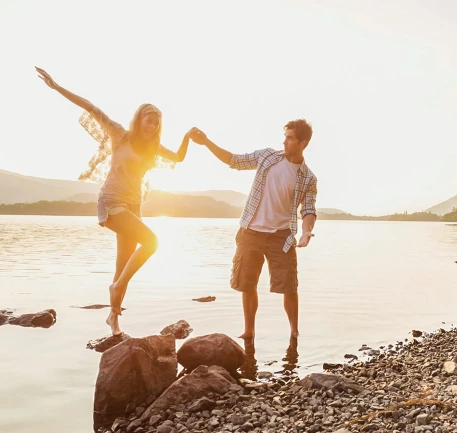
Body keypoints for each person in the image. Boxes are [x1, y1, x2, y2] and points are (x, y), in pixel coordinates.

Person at [35, 66, 200, 336]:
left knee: (123, 264)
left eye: (157, 122)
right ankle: (116, 290)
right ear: (139, 120)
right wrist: (57, 87)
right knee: (152, 242)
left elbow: (179, 158)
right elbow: (91, 107)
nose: (153, 125)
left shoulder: (153, 148)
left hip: (134, 206)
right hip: (112, 202)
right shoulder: (119, 135)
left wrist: (186, 138)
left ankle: (114, 320)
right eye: (149, 119)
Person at [192, 119, 318, 339]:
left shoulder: (308, 178)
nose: (285, 141)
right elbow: (234, 160)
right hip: (250, 232)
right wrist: (206, 142)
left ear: (303, 143)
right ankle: (249, 331)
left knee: (289, 286)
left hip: (282, 237)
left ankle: (294, 332)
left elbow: (308, 209)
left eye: (290, 138)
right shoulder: (267, 157)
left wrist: (306, 231)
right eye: (285, 136)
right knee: (247, 283)